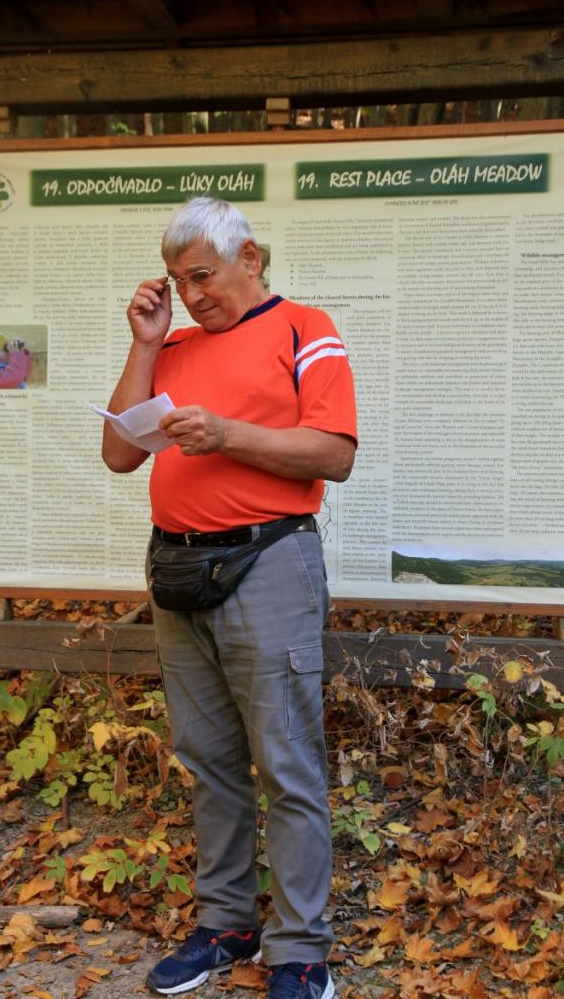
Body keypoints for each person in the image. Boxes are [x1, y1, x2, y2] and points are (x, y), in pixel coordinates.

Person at [101, 196, 357, 999]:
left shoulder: (304, 328)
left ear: (249, 257)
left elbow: (334, 453)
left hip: (269, 561)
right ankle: (225, 925)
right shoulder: (172, 344)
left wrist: (227, 435)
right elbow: (118, 454)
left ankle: (300, 951)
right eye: (178, 280)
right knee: (208, 760)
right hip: (177, 568)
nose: (191, 294)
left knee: (285, 762)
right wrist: (145, 343)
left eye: (202, 275)